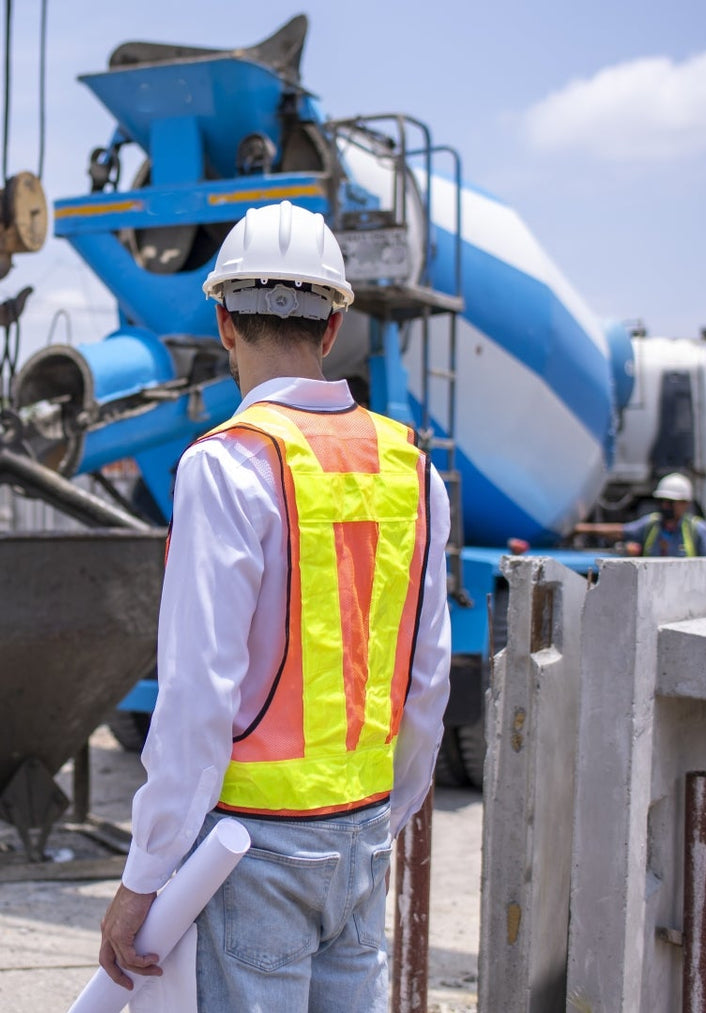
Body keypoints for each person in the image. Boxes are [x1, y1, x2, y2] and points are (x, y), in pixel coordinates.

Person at [97, 202, 452, 1010]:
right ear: (332, 330)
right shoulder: (413, 470)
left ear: (223, 321)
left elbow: (196, 697)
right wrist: (379, 820)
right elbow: (426, 681)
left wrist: (143, 876)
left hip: (251, 848)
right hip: (361, 833)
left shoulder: (226, 465)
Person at [622, 472, 706, 557]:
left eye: (670, 502)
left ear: (685, 503)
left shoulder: (697, 529)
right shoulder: (651, 524)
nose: (665, 506)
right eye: (661, 501)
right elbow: (623, 531)